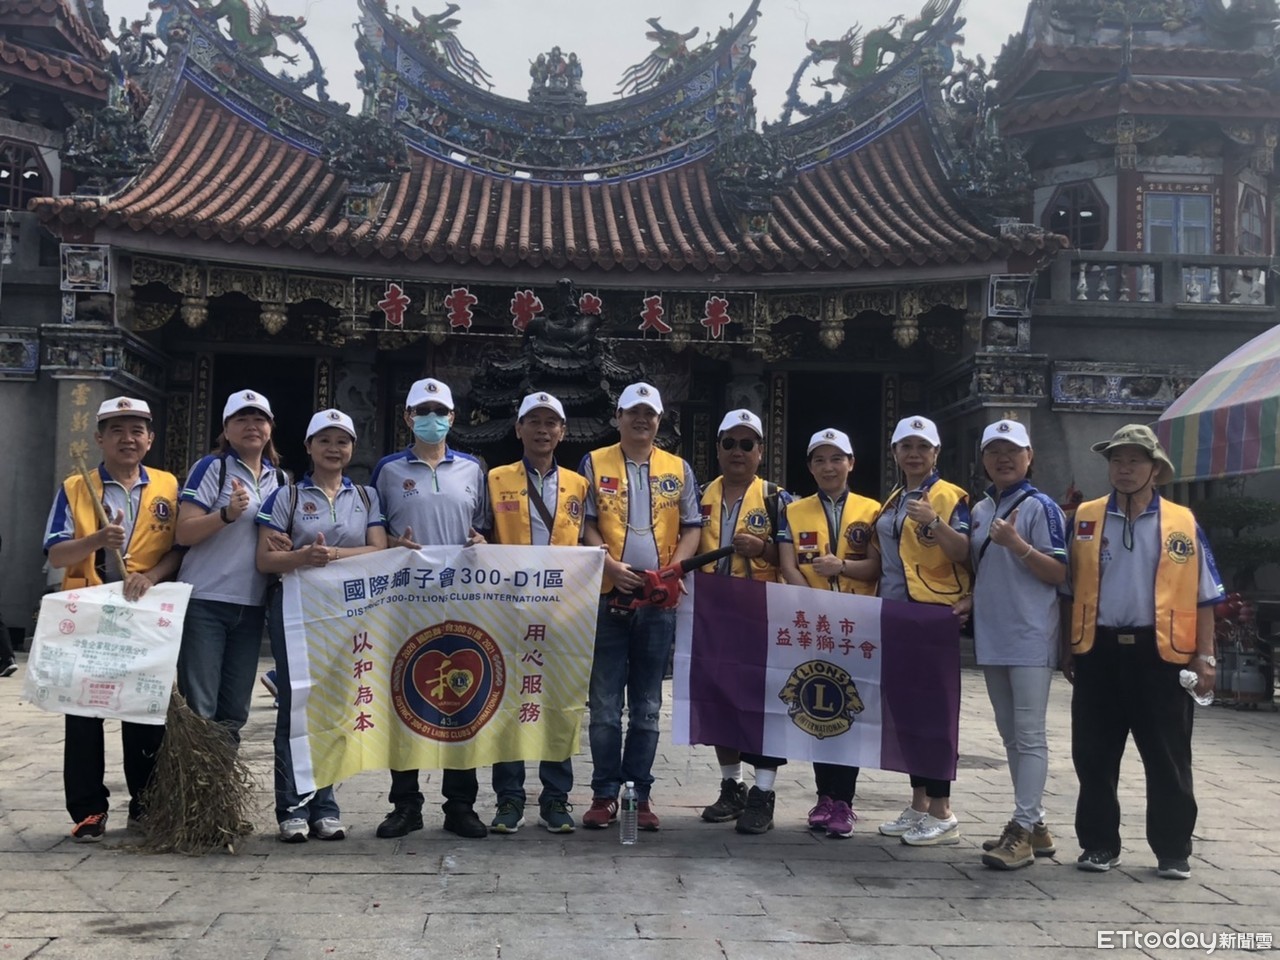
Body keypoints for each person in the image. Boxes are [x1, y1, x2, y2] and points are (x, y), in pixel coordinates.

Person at [1062, 424, 1223, 880]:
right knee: (1093, 754)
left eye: (1135, 461)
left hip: (1162, 655)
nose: (1125, 469)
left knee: (1168, 756)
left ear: (1155, 469)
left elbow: (1205, 596)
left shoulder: (1181, 522)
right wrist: (1067, 648)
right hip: (1098, 650)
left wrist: (1206, 656)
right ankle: (1099, 845)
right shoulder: (1086, 517)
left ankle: (1173, 850)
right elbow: (1068, 589)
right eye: (1117, 460)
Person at [43, 397, 183, 841]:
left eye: (137, 430)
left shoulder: (168, 486)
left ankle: (146, 805)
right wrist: (98, 539)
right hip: (89, 611)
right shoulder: (75, 487)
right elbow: (56, 552)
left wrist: (151, 576)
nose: (128, 438)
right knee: (84, 713)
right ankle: (89, 809)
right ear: (99, 438)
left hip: (145, 612)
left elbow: (179, 550)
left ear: (150, 439)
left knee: (144, 710)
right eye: (117, 430)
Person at [255, 409, 387, 843]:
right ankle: (292, 807)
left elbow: (378, 550)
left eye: (342, 441)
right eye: (325, 440)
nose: (334, 449)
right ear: (309, 447)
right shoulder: (288, 497)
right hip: (295, 608)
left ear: (352, 449)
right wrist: (300, 558)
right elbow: (265, 560)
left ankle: (325, 807)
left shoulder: (366, 496)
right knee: (296, 705)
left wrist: (329, 556)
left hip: (348, 612)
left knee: (333, 706)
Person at [579, 382, 702, 831]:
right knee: (605, 704)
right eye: (633, 412)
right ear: (618, 417)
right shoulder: (594, 462)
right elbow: (586, 523)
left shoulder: (678, 468)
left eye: (649, 413)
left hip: (657, 599)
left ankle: (638, 795)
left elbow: (692, 525)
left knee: (648, 705)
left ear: (659, 420)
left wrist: (672, 570)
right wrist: (610, 566)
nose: (641, 420)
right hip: (609, 594)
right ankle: (603, 793)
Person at [371, 377, 490, 839]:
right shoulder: (387, 470)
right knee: (405, 696)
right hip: (405, 600)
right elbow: (373, 532)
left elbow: (481, 527)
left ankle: (460, 804)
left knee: (464, 695)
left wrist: (481, 542)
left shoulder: (473, 469)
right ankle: (406, 803)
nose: (432, 418)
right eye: (423, 411)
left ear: (453, 417)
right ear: (408, 417)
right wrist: (392, 543)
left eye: (440, 411)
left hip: (462, 599)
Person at [968, 420, 1067, 870]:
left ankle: (1023, 829)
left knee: (1029, 735)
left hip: (1030, 634)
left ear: (1030, 456)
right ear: (983, 459)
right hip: (993, 633)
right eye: (994, 451)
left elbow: (1059, 572)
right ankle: (1037, 823)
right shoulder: (981, 508)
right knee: (1010, 734)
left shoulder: (1041, 507)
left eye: (1012, 450)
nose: (1003, 458)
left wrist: (1018, 545)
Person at [486, 392, 587, 834]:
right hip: (508, 607)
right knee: (507, 700)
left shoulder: (578, 485)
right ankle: (509, 798)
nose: (543, 430)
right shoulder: (496, 479)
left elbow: (587, 541)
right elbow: (482, 533)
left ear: (562, 432)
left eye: (551, 423)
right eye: (534, 421)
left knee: (559, 703)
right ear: (518, 429)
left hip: (562, 611)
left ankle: (556, 798)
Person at [872, 416, 972, 846]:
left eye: (922, 447)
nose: (914, 454)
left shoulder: (950, 496)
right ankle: (918, 803)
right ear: (894, 452)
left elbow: (964, 551)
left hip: (932, 612)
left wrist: (933, 522)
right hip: (895, 611)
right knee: (905, 711)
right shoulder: (894, 499)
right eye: (906, 446)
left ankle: (943, 810)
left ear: (936, 452)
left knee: (935, 712)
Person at [777, 428, 879, 839]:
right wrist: (813, 602)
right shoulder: (793, 511)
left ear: (851, 463)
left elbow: (876, 567)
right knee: (818, 707)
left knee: (849, 708)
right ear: (810, 467)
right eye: (819, 459)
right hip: (815, 623)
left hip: (858, 623)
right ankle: (824, 796)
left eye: (837, 458)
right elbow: (788, 565)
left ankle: (845, 802)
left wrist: (843, 568)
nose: (829, 467)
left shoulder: (873, 510)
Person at [696, 410, 790, 834]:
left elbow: (791, 559)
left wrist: (763, 549)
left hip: (761, 614)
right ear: (718, 448)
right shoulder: (699, 495)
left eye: (747, 444)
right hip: (712, 613)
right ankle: (731, 785)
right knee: (720, 699)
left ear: (761, 451)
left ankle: (763, 792)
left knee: (763, 704)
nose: (738, 451)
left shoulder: (777, 499)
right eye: (729, 443)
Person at [175, 390, 285, 744]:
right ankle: (195, 777)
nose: (252, 426)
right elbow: (183, 532)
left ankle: (221, 778)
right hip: (205, 601)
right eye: (242, 419)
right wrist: (225, 514)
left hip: (251, 605)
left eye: (259, 419)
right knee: (199, 707)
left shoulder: (280, 479)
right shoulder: (213, 468)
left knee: (235, 710)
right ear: (226, 428)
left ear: (270, 427)